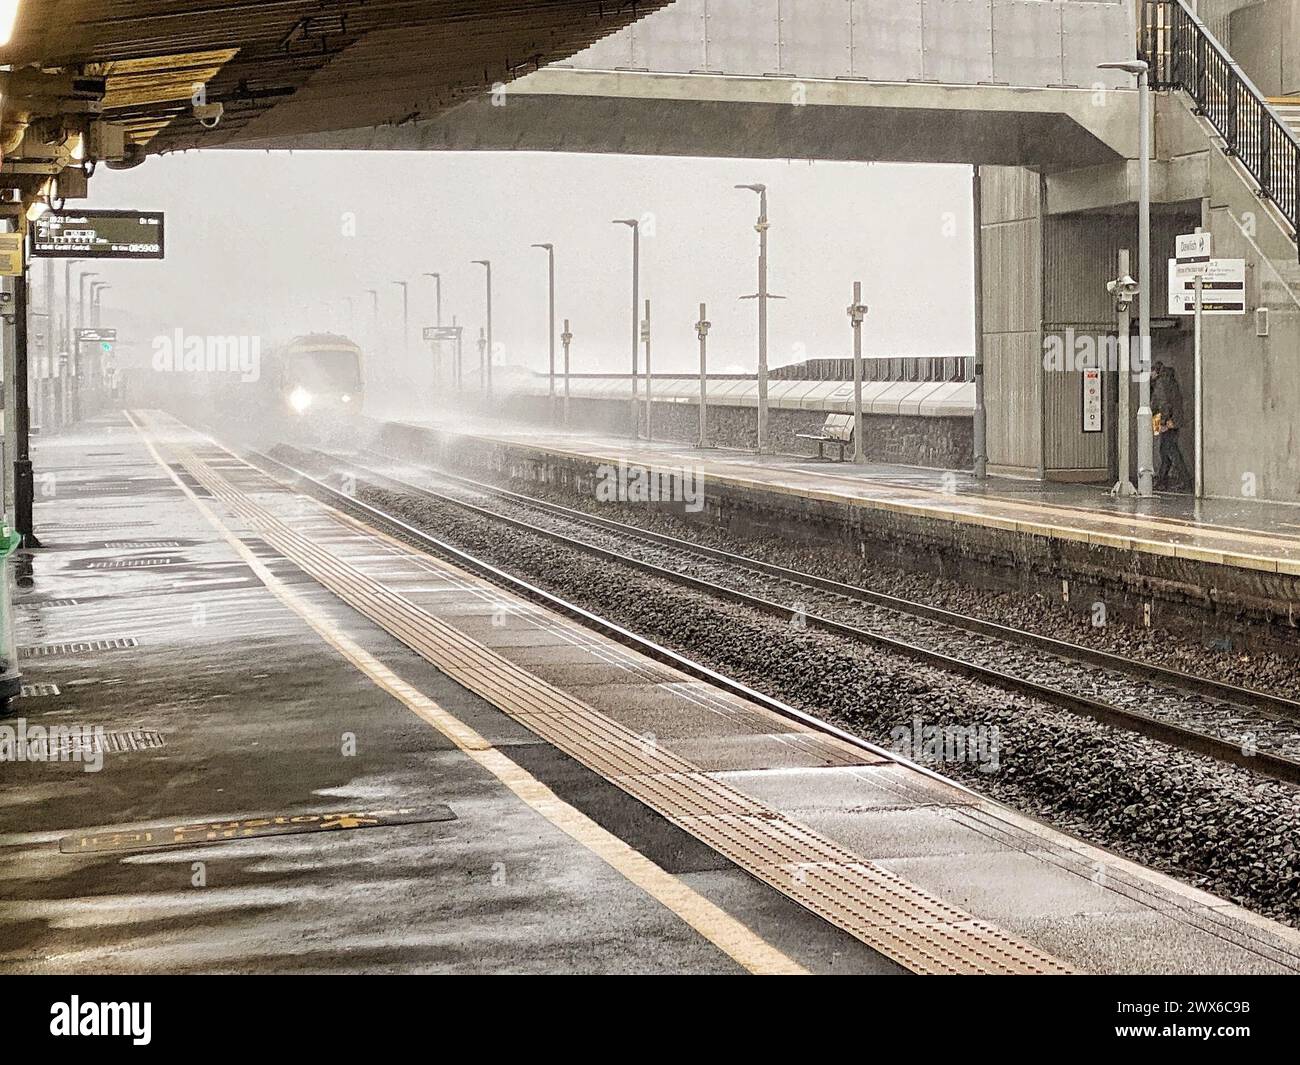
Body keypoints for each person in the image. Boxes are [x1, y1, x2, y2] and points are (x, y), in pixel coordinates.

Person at [1151, 361, 1192, 491]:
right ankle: (1162, 480)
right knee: (1165, 451)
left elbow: (1163, 404)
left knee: (1172, 452)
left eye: (1150, 372)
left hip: (1168, 422)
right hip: (1173, 420)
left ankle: (1186, 481)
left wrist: (1162, 423)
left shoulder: (1160, 383)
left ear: (1155, 371)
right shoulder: (1169, 380)